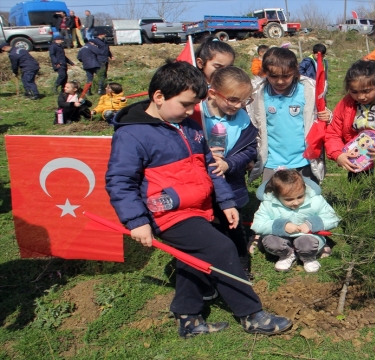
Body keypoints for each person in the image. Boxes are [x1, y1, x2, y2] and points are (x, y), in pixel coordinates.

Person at [105, 60, 292, 338]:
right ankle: (251, 315)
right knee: (222, 249)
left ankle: (187, 317)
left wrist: (226, 202)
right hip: (168, 213)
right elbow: (120, 181)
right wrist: (136, 221)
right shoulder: (132, 134)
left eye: (194, 104)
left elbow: (211, 167)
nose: (192, 111)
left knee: (193, 257)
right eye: (185, 104)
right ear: (158, 97)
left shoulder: (188, 127)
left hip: (199, 208)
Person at [202, 66, 258, 280]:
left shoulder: (242, 119)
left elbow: (249, 149)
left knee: (233, 226)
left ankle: (241, 267)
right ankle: (210, 268)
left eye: (244, 101)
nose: (238, 106)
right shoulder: (197, 115)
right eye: (233, 100)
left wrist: (229, 164)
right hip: (203, 186)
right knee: (209, 228)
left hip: (231, 184)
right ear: (213, 93)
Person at [246, 47, 330, 184]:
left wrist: (328, 116)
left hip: (303, 158)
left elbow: (319, 114)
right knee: (270, 199)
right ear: (265, 72)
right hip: (272, 159)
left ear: (295, 70)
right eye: (273, 76)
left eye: (286, 76)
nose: (280, 81)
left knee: (306, 198)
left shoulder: (308, 91)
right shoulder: (258, 93)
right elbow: (253, 121)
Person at [324, 60, 375, 175]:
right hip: (358, 164)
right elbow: (333, 133)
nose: (361, 96)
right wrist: (338, 154)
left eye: (367, 91)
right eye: (354, 92)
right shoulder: (347, 103)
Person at [252, 169, 339, 273]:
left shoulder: (315, 200)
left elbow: (332, 218)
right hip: (281, 236)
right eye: (289, 199)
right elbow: (257, 224)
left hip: (309, 235)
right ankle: (287, 255)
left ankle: (308, 256)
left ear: (305, 189)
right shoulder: (268, 203)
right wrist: (281, 226)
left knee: (306, 244)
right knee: (271, 242)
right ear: (276, 195)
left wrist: (311, 224)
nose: (296, 202)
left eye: (300, 197)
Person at [189, 36, 237, 125]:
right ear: (200, 63)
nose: (223, 71)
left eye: (229, 68)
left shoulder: (233, 85)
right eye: (218, 67)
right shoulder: (192, 87)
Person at [90, 29, 113, 95]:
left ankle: (105, 87)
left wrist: (111, 56)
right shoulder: (96, 42)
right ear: (100, 34)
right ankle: (100, 89)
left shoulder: (104, 41)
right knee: (101, 74)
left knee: (105, 74)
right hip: (99, 59)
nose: (105, 35)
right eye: (104, 34)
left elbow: (107, 50)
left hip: (105, 59)